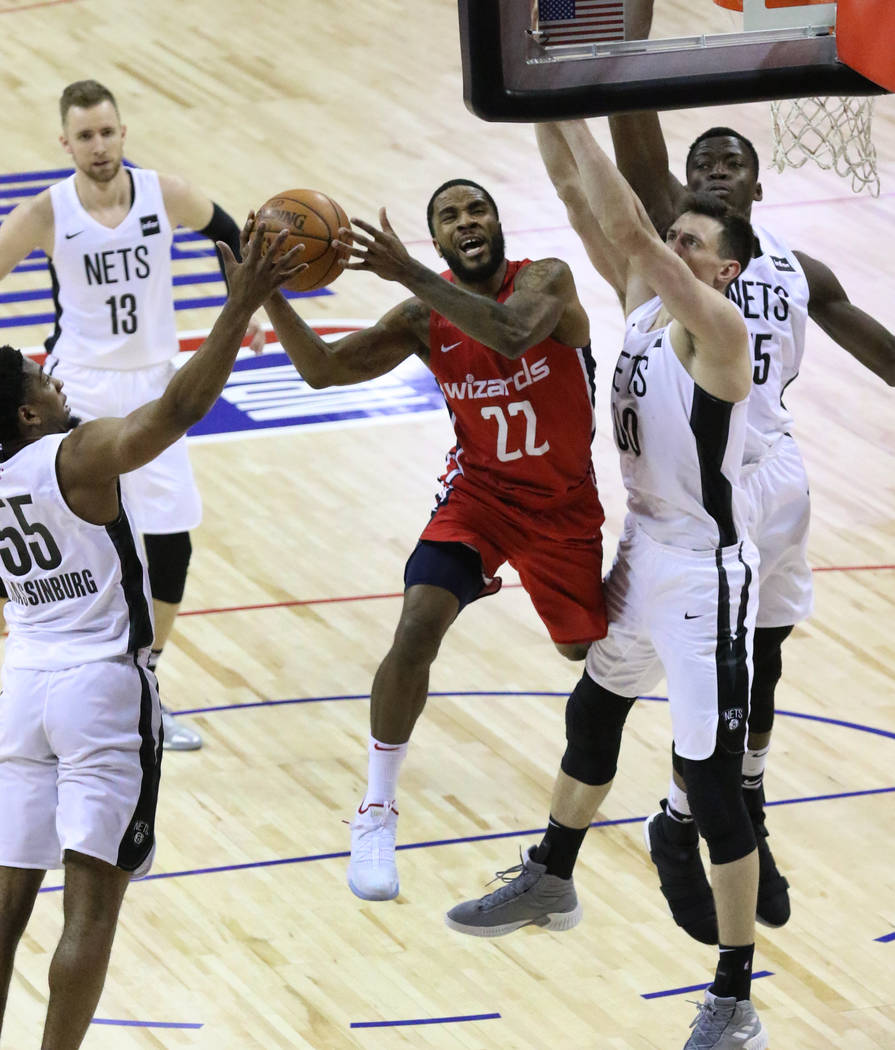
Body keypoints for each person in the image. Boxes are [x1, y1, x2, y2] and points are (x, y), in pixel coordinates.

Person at [446, 121, 768, 1050]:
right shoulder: (637, 301)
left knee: (710, 786)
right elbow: (575, 192)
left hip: (706, 577)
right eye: (676, 235)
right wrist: (539, 101)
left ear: (724, 271)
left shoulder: (718, 328)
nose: (674, 245)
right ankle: (551, 873)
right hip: (644, 555)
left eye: (694, 242)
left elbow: (626, 226)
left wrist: (576, 100)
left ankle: (733, 996)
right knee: (592, 715)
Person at [604, 1, 895, 940]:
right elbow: (635, 143)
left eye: (730, 162)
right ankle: (692, 819)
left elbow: (875, 351)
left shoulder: (799, 269)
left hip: (777, 476)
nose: (713, 171)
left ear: (757, 185)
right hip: (697, 487)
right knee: (708, 673)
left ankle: (745, 809)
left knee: (764, 660)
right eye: (701, 166)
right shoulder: (676, 256)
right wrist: (625, 35)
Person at [256, 179, 608, 902]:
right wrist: (266, 293)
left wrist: (409, 272)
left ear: (497, 224)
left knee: (580, 651)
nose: (466, 222)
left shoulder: (546, 281)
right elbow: (322, 371)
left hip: (563, 508)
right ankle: (376, 811)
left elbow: (510, 332)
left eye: (476, 209)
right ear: (440, 240)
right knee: (416, 624)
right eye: (448, 217)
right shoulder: (423, 318)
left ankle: (488, 587)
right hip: (480, 497)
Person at [0, 224, 301, 1050]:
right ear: (29, 411)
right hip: (99, 689)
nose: (52, 375)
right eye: (39, 376)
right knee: (90, 907)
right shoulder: (76, 454)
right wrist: (237, 306)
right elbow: (178, 408)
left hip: (21, 688)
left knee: (4, 909)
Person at [0, 79, 267, 750]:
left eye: (107, 131)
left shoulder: (163, 193)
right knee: (80, 541)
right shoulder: (48, 210)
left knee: (172, 540)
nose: (98, 145)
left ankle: (145, 681)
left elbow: (231, 232)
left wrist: (247, 305)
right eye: (84, 135)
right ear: (65, 143)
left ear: (123, 132)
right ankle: (52, 675)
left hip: (154, 385)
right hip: (80, 388)